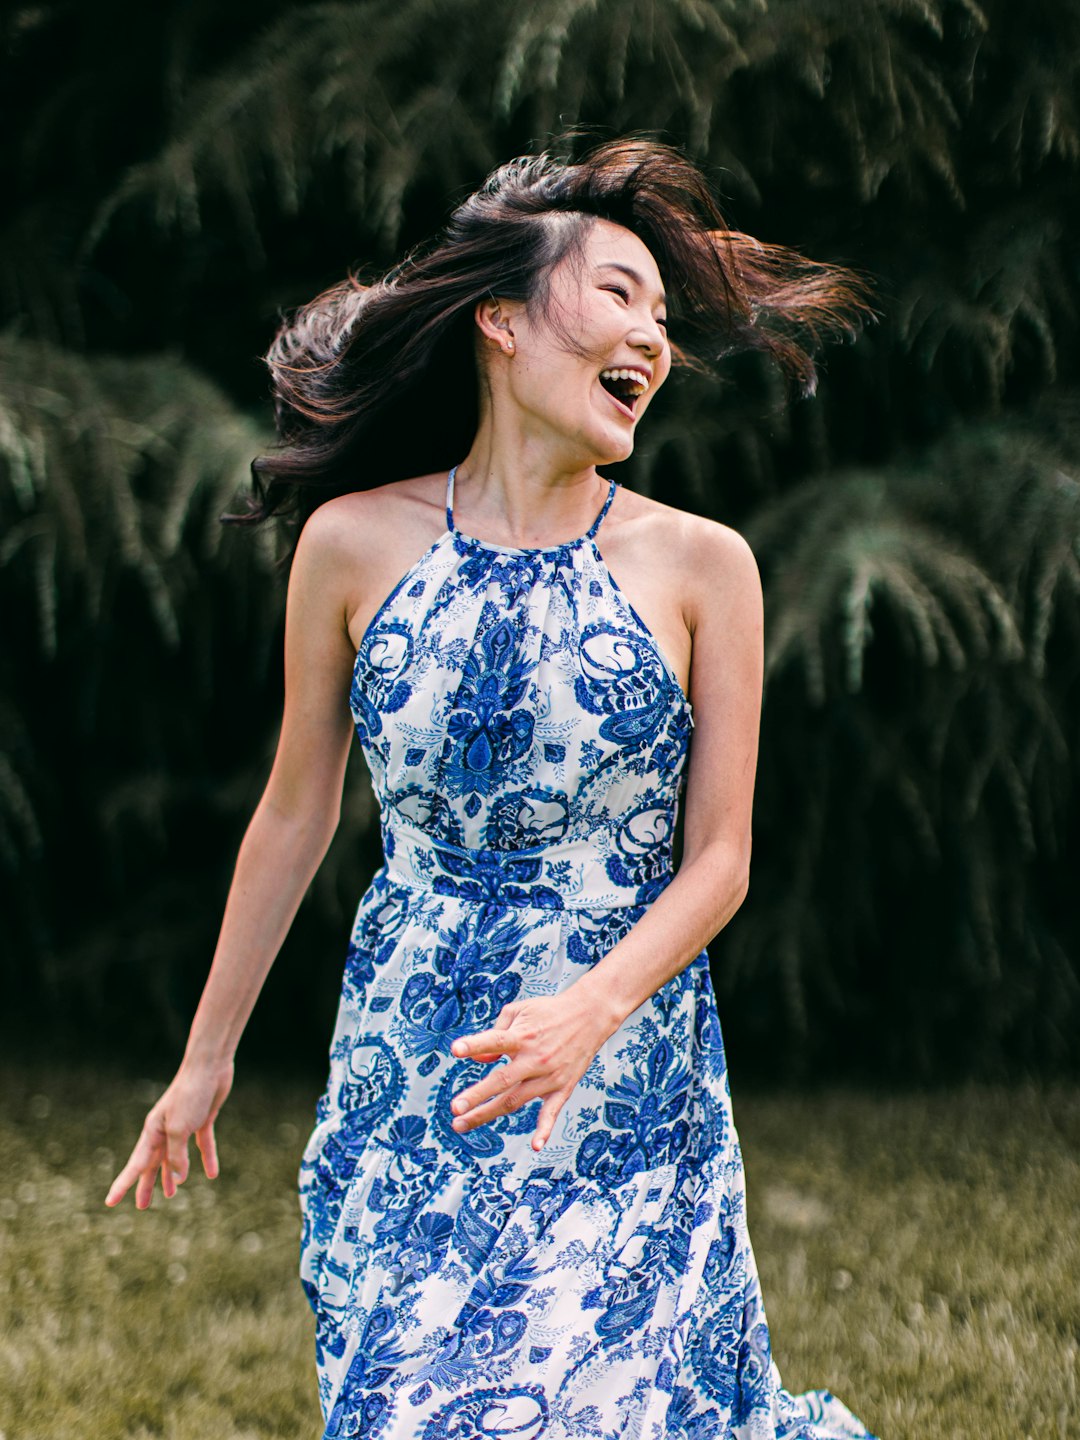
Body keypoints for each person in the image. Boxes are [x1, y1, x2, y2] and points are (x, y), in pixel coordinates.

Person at [107, 139, 877, 1439]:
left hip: (624, 1076)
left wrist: (590, 1013)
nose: (654, 336)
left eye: (664, 315)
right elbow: (296, 813)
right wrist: (204, 1061)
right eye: (619, 293)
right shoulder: (351, 547)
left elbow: (723, 858)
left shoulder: (706, 568)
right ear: (503, 321)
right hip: (413, 1072)